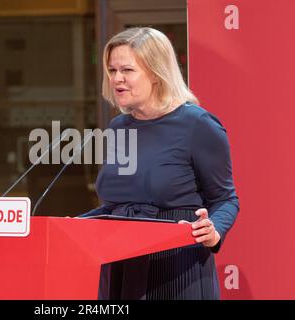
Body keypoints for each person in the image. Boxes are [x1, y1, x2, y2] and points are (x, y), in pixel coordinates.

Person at [79, 27, 240, 300]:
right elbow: (118, 203)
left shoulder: (197, 125)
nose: (117, 78)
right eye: (112, 70)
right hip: (121, 265)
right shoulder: (119, 127)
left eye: (127, 70)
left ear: (155, 73)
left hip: (177, 267)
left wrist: (213, 231)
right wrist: (74, 225)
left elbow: (226, 199)